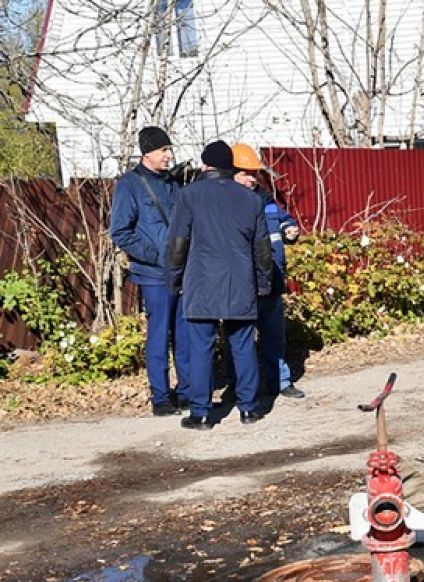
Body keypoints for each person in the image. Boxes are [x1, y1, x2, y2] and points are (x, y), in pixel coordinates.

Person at [165, 140, 274, 430]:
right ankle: (249, 409)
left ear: (205, 166)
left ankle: (201, 413)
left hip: (201, 283)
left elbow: (178, 242)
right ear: (230, 167)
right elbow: (262, 248)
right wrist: (263, 283)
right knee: (242, 345)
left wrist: (174, 278)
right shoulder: (252, 200)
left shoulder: (189, 196)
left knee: (201, 348)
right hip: (241, 283)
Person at [109, 125, 190, 416]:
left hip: (181, 271)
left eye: (170, 149)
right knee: (159, 334)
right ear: (147, 153)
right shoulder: (129, 185)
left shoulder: (173, 183)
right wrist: (157, 257)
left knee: (184, 334)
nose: (169, 155)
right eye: (164, 150)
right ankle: (161, 397)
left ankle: (185, 392)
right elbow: (120, 231)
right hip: (154, 275)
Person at [230, 142, 305, 400]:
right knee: (240, 340)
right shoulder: (228, 205)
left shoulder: (266, 200)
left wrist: (290, 230)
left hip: (272, 278)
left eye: (254, 173)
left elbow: (285, 220)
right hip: (243, 283)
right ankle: (241, 389)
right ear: (232, 173)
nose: (251, 179)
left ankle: (280, 382)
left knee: (274, 335)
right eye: (245, 173)